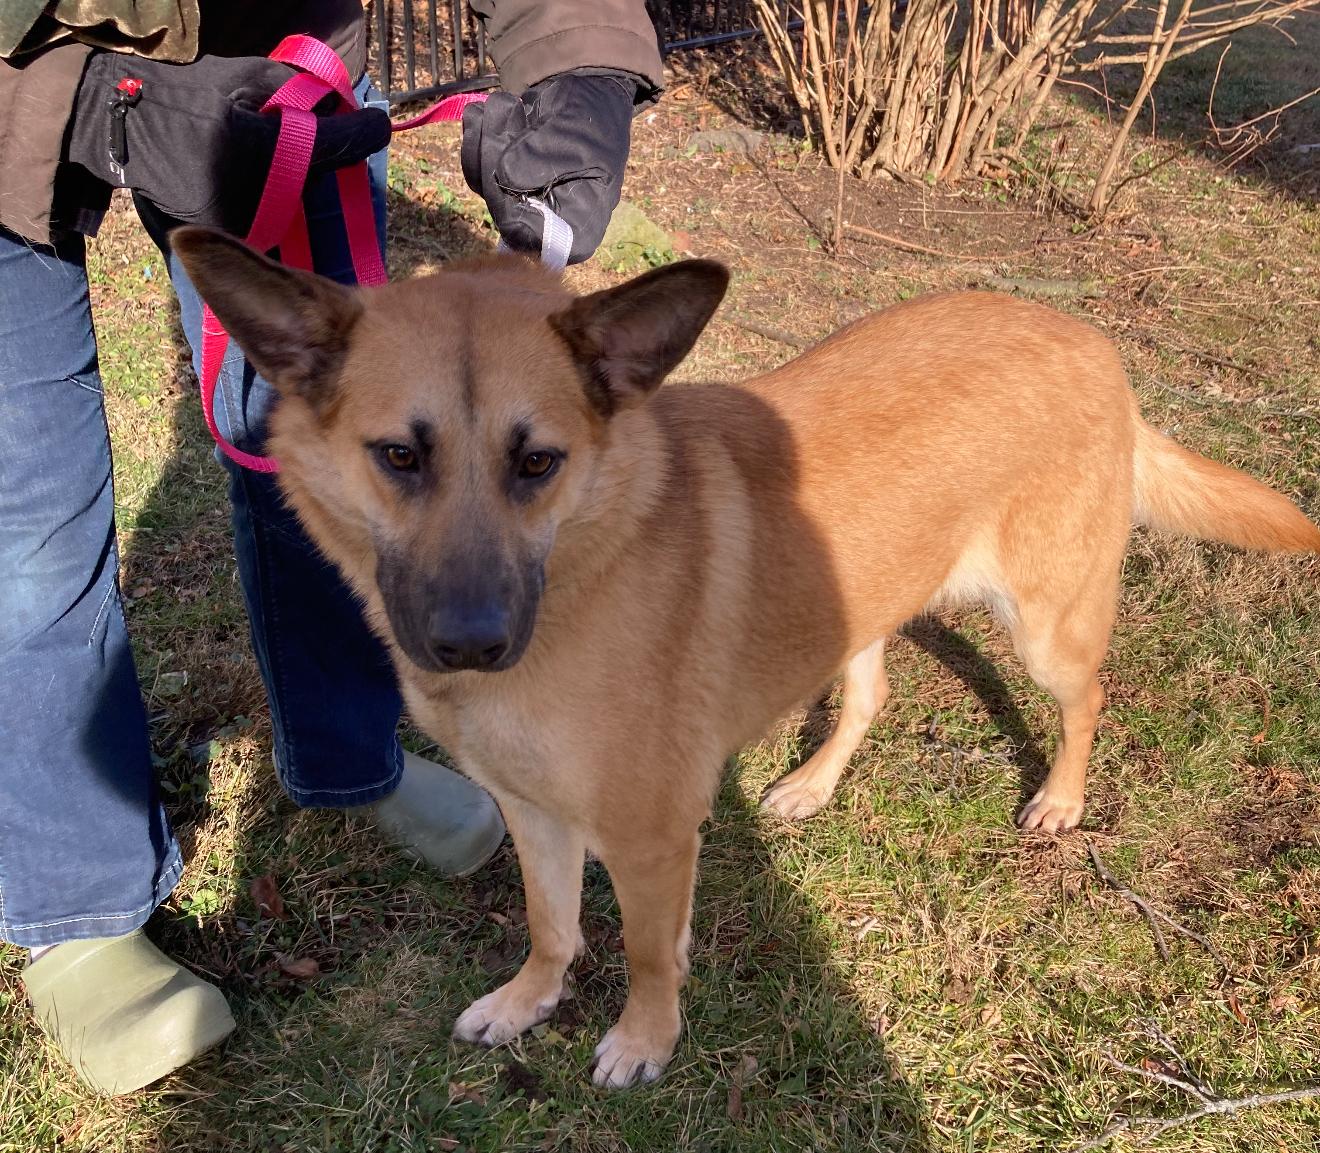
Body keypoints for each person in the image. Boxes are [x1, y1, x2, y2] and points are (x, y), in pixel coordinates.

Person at [0, 0, 663, 1095]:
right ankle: (77, 900)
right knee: (21, 513)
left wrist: (578, 60)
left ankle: (355, 757)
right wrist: (81, 71)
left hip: (271, 71)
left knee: (327, 452)